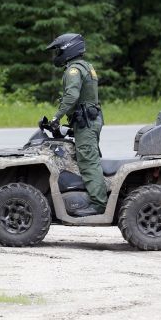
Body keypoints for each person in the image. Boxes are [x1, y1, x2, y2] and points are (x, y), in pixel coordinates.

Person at [45, 33, 105, 216]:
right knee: (87, 157)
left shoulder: (74, 70)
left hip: (86, 122)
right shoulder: (86, 66)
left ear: (67, 49)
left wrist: (56, 117)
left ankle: (99, 204)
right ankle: (92, 195)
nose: (57, 54)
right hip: (89, 119)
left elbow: (72, 96)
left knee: (88, 161)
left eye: (58, 50)